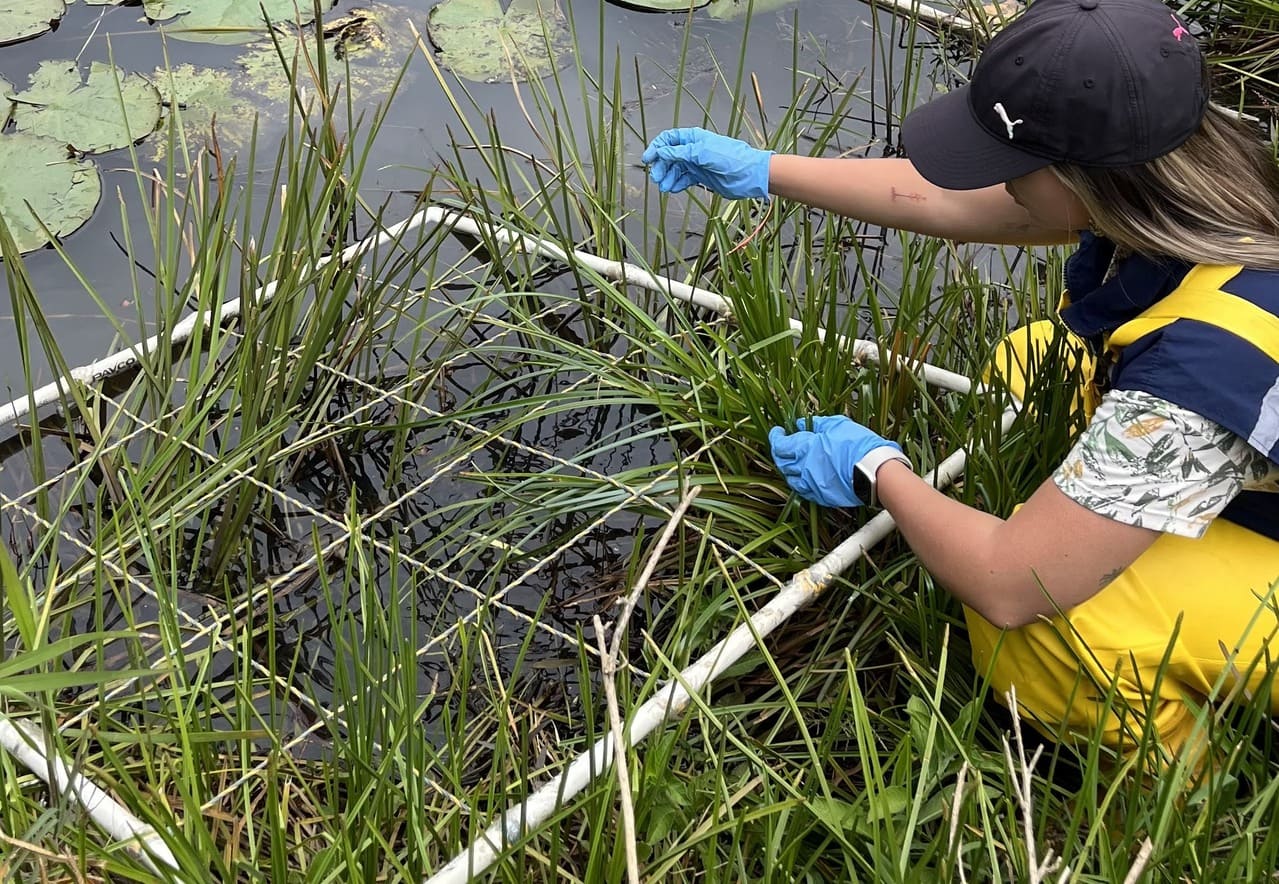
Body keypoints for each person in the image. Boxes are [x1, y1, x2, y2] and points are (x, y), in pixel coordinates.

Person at [642, 0, 1279, 758]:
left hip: (1205, 464)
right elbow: (961, 202)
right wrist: (764, 171)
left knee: (1056, 620)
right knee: (1030, 356)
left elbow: (1011, 583)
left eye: (1012, 170)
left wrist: (877, 469)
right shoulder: (1213, 173)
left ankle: (1174, 815)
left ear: (1090, 183)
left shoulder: (1208, 365)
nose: (1002, 187)